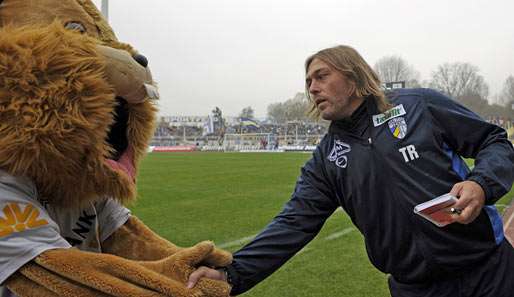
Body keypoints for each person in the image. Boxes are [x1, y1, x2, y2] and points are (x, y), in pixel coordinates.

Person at [187, 45, 514, 297]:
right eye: (308, 81)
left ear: (354, 76)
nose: (312, 87)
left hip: (488, 271)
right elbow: (293, 223)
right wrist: (233, 274)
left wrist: (481, 184)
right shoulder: (327, 159)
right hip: (414, 288)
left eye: (321, 75)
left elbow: (494, 141)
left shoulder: (417, 106)